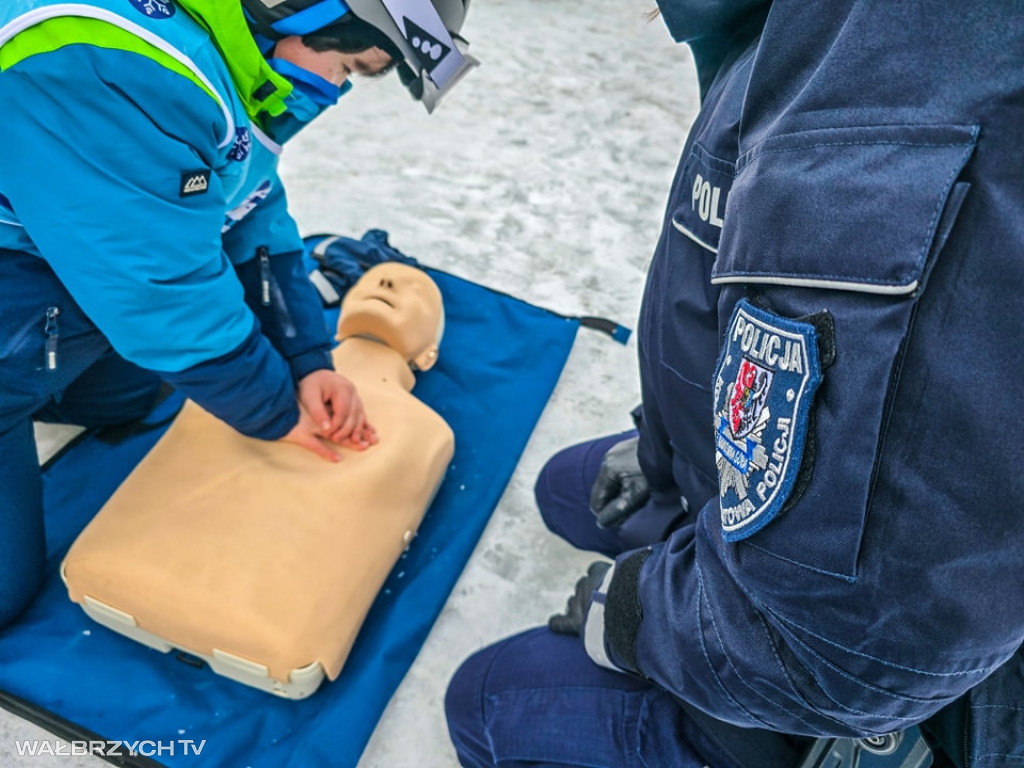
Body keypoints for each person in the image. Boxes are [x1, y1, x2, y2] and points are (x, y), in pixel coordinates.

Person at [445, 2, 1024, 767]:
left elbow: (839, 654)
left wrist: (633, 616)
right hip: (733, 497)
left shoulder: (912, 105)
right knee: (565, 487)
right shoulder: (791, 28)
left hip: (837, 695)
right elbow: (733, 293)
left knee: (484, 700)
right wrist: (656, 446)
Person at [0, 0, 476, 628]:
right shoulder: (109, 62)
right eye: (350, 67)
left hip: (60, 251)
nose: (335, 91)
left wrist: (305, 357)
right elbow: (157, 290)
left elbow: (244, 200)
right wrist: (273, 408)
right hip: (35, 263)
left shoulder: (231, 49)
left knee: (135, 395)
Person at [62, 263, 454, 697]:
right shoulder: (241, 363)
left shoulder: (427, 432)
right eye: (372, 279)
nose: (385, 282)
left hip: (274, 619)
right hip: (140, 552)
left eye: (415, 289)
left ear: (428, 356)